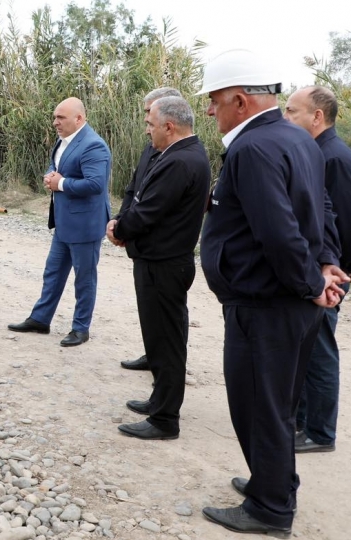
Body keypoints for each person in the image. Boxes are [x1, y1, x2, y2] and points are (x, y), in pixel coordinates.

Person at [195, 49, 347, 536]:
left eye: (214, 101)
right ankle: (274, 480)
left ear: (239, 99)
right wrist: (325, 264)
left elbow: (279, 232)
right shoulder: (297, 138)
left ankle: (270, 508)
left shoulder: (253, 148)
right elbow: (321, 208)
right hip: (288, 303)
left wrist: (311, 281)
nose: (210, 111)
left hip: (266, 306)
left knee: (259, 405)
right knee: (277, 404)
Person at [107, 96, 210, 440]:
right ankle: (159, 401)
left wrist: (119, 229)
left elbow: (149, 210)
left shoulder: (180, 161)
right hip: (160, 261)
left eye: (151, 124)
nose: (147, 131)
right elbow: (138, 197)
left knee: (166, 343)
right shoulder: (180, 154)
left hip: (164, 264)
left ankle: (165, 419)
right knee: (160, 339)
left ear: (169, 126)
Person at [283, 85, 351, 453]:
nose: (285, 119)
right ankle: (301, 422)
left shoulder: (334, 158)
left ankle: (320, 432)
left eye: (292, 112)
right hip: (320, 269)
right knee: (306, 346)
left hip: (332, 272)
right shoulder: (314, 152)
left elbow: (350, 219)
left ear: (317, 116)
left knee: (319, 348)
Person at [8, 97, 111, 346]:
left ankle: (80, 328)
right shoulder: (65, 140)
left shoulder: (93, 145)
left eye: (60, 117)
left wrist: (60, 184)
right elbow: (56, 166)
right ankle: (40, 319)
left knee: (84, 279)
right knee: (53, 272)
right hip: (64, 222)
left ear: (79, 118)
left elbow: (96, 184)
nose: (55, 122)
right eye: (55, 117)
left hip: (85, 225)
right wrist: (49, 176)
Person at [115, 87, 183, 372]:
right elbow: (134, 187)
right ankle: (152, 353)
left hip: (163, 249)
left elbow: (157, 205)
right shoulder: (150, 146)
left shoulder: (178, 153)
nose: (146, 123)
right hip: (141, 242)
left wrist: (125, 229)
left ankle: (164, 366)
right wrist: (120, 222)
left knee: (168, 316)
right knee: (148, 309)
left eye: (149, 114)